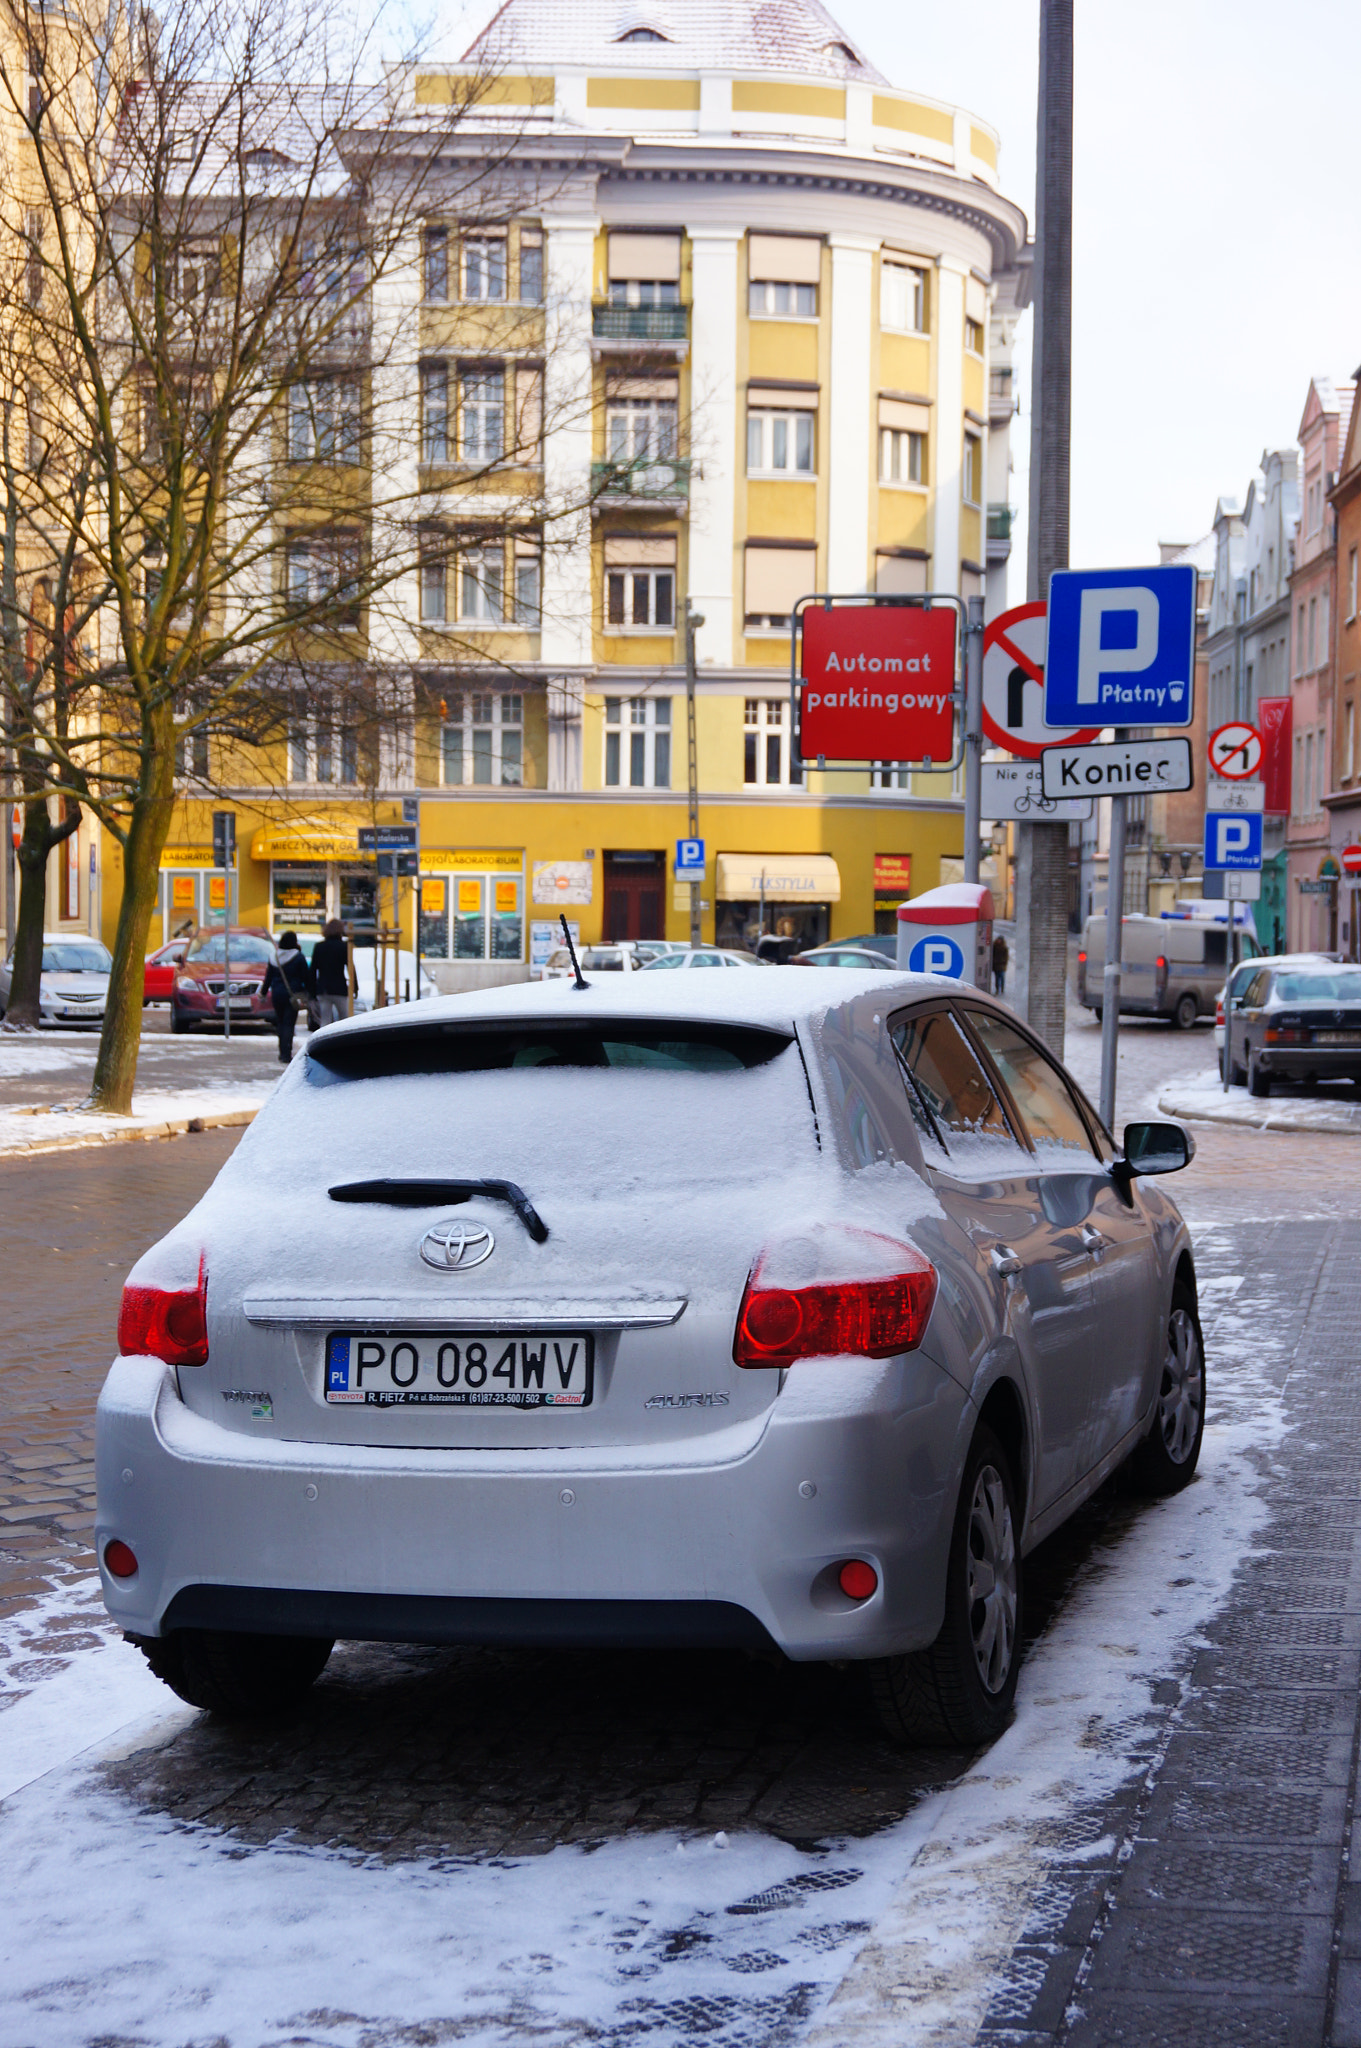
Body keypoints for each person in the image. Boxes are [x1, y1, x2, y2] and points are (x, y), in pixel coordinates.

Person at [262, 931, 314, 1063]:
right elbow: (306, 977)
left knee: (280, 1023)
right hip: (293, 995)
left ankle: (282, 1052)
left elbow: (268, 977)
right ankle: (287, 1053)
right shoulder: (298, 957)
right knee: (289, 1024)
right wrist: (311, 992)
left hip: (277, 994)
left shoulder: (274, 957)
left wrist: (263, 992)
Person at [310, 917, 351, 1028]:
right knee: (344, 1018)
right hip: (340, 988)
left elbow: (313, 970)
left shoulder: (319, 947)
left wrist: (312, 991)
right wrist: (354, 987)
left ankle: (325, 1042)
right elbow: (351, 967)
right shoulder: (344, 947)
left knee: (325, 1019)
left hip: (323, 989)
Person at [992, 931, 1009, 996]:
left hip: (1001, 965)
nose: (999, 941)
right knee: (997, 978)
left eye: (1000, 940)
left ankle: (1002, 989)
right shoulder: (994, 946)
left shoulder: (1004, 948)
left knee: (1001, 977)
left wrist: (1004, 963)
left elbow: (1006, 957)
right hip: (996, 965)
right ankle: (997, 989)